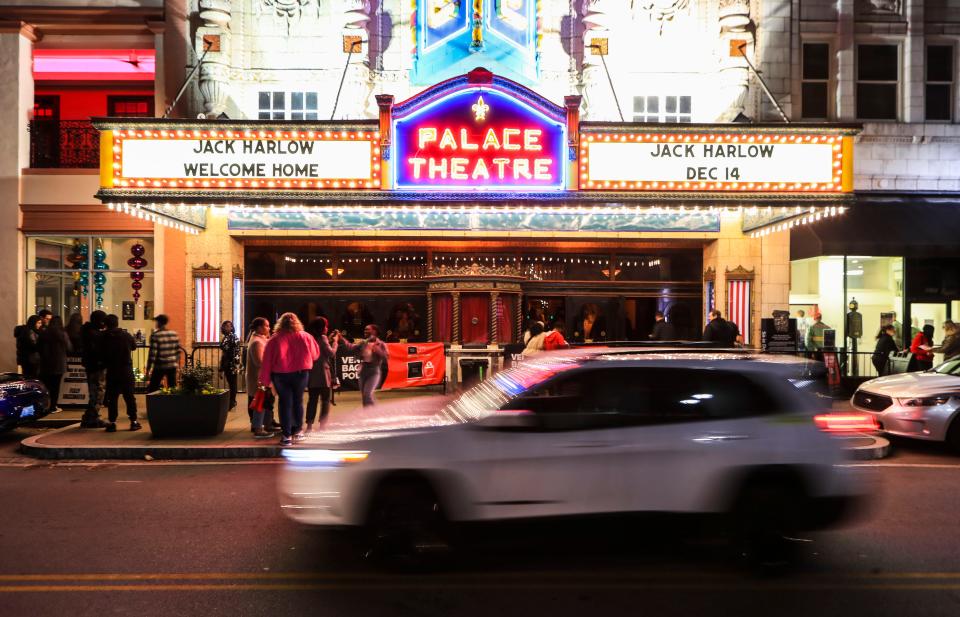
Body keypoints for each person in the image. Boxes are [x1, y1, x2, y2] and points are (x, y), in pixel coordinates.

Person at [259, 312, 320, 445]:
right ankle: (298, 431)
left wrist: (264, 380)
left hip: (281, 375)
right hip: (301, 373)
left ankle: (286, 436)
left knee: (284, 403)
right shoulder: (306, 337)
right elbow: (315, 355)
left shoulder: (274, 339)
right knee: (298, 401)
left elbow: (267, 361)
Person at [100, 314, 141, 432]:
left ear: (106, 324)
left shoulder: (104, 337)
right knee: (129, 397)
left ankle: (112, 422)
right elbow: (133, 347)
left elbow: (101, 351)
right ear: (117, 323)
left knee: (112, 398)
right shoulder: (126, 335)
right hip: (126, 369)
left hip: (112, 370)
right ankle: (133, 421)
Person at [338, 324, 389, 408]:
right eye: (365, 329)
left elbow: (386, 356)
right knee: (364, 396)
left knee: (367, 394)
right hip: (363, 370)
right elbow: (350, 347)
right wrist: (341, 338)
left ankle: (376, 412)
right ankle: (367, 414)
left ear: (374, 331)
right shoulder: (363, 343)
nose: (365, 331)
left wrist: (377, 349)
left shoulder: (381, 344)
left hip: (374, 371)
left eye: (367, 329)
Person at [305, 317, 339, 432]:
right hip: (323, 374)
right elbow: (331, 353)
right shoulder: (323, 338)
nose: (327, 328)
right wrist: (335, 342)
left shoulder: (309, 337)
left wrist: (328, 339)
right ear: (321, 328)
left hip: (311, 373)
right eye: (325, 326)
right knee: (325, 400)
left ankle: (309, 425)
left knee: (312, 400)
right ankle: (322, 426)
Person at [245, 317, 275, 439]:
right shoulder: (257, 341)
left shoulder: (260, 339)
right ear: (259, 327)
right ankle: (258, 428)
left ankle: (267, 424)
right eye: (266, 326)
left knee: (265, 401)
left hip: (262, 377)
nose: (269, 328)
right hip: (260, 378)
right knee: (260, 403)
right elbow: (259, 361)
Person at [79, 310, 108, 428]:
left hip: (90, 365)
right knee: (98, 391)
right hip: (97, 366)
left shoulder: (86, 331)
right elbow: (98, 351)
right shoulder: (95, 335)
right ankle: (92, 417)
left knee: (94, 391)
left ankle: (90, 416)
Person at [38, 315, 72, 412]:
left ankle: (45, 406)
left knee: (46, 385)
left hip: (46, 363)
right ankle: (53, 406)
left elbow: (38, 347)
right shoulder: (62, 334)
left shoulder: (44, 333)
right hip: (59, 364)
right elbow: (69, 347)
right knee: (56, 386)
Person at [146, 314, 180, 392]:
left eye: (156, 322)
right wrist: (176, 364)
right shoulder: (174, 334)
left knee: (153, 388)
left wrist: (148, 370)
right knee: (172, 387)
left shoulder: (155, 335)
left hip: (160, 365)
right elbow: (178, 351)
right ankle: (173, 404)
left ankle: (154, 404)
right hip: (172, 365)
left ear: (159, 323)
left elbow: (152, 354)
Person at [219, 320, 242, 410]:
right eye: (226, 326)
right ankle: (232, 401)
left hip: (232, 363)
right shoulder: (226, 337)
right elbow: (224, 353)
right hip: (227, 363)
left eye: (230, 326)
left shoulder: (232, 337)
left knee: (233, 383)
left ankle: (232, 402)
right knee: (231, 383)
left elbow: (234, 352)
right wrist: (221, 368)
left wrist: (235, 364)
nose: (228, 327)